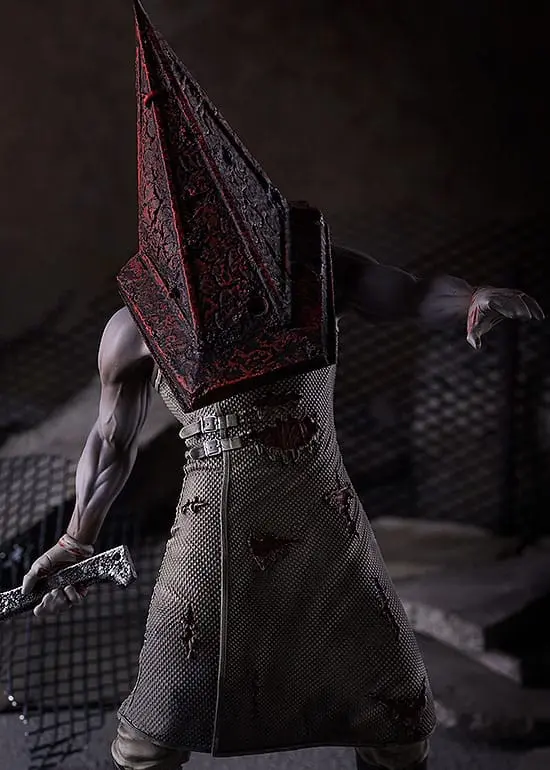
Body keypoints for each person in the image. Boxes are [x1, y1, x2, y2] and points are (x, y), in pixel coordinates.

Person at [21, 4, 544, 770]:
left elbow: (407, 293)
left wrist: (469, 301)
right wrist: (77, 536)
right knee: (153, 727)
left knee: (395, 710)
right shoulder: (136, 326)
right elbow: (109, 440)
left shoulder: (309, 267)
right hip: (209, 535)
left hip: (326, 522)